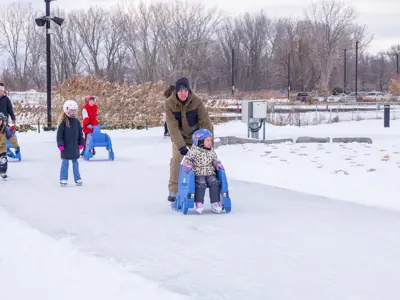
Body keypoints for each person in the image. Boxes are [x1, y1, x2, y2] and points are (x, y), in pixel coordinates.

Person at [165, 77, 213, 202]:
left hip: (196, 137)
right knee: (176, 160)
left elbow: (206, 122)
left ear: (188, 90)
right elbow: (172, 127)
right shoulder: (169, 103)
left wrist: (206, 141)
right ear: (176, 91)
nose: (183, 93)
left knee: (204, 159)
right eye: (180, 90)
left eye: (185, 90)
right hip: (179, 137)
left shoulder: (196, 101)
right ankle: (173, 190)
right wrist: (181, 146)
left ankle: (207, 185)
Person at [182, 129, 224, 214]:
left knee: (215, 182)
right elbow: (187, 159)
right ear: (200, 141)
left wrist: (217, 164)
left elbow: (215, 159)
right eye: (207, 140)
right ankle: (199, 202)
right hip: (198, 173)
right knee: (201, 183)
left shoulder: (211, 151)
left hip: (210, 173)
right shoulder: (194, 151)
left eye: (211, 140)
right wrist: (189, 164)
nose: (210, 142)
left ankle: (215, 202)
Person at [57, 100, 85, 187]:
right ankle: (63, 178)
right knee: (65, 163)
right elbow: (59, 135)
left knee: (75, 163)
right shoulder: (63, 122)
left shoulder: (76, 122)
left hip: (74, 147)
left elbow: (80, 134)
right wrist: (60, 145)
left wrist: (81, 143)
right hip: (65, 148)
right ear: (67, 110)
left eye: (74, 110)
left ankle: (77, 178)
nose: (73, 112)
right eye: (71, 110)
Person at [0, 112, 19, 179]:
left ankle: (3, 172)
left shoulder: (5, 130)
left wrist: (16, 146)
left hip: (2, 149)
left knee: (4, 160)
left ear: (2, 121)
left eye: (0, 120)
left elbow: (11, 138)